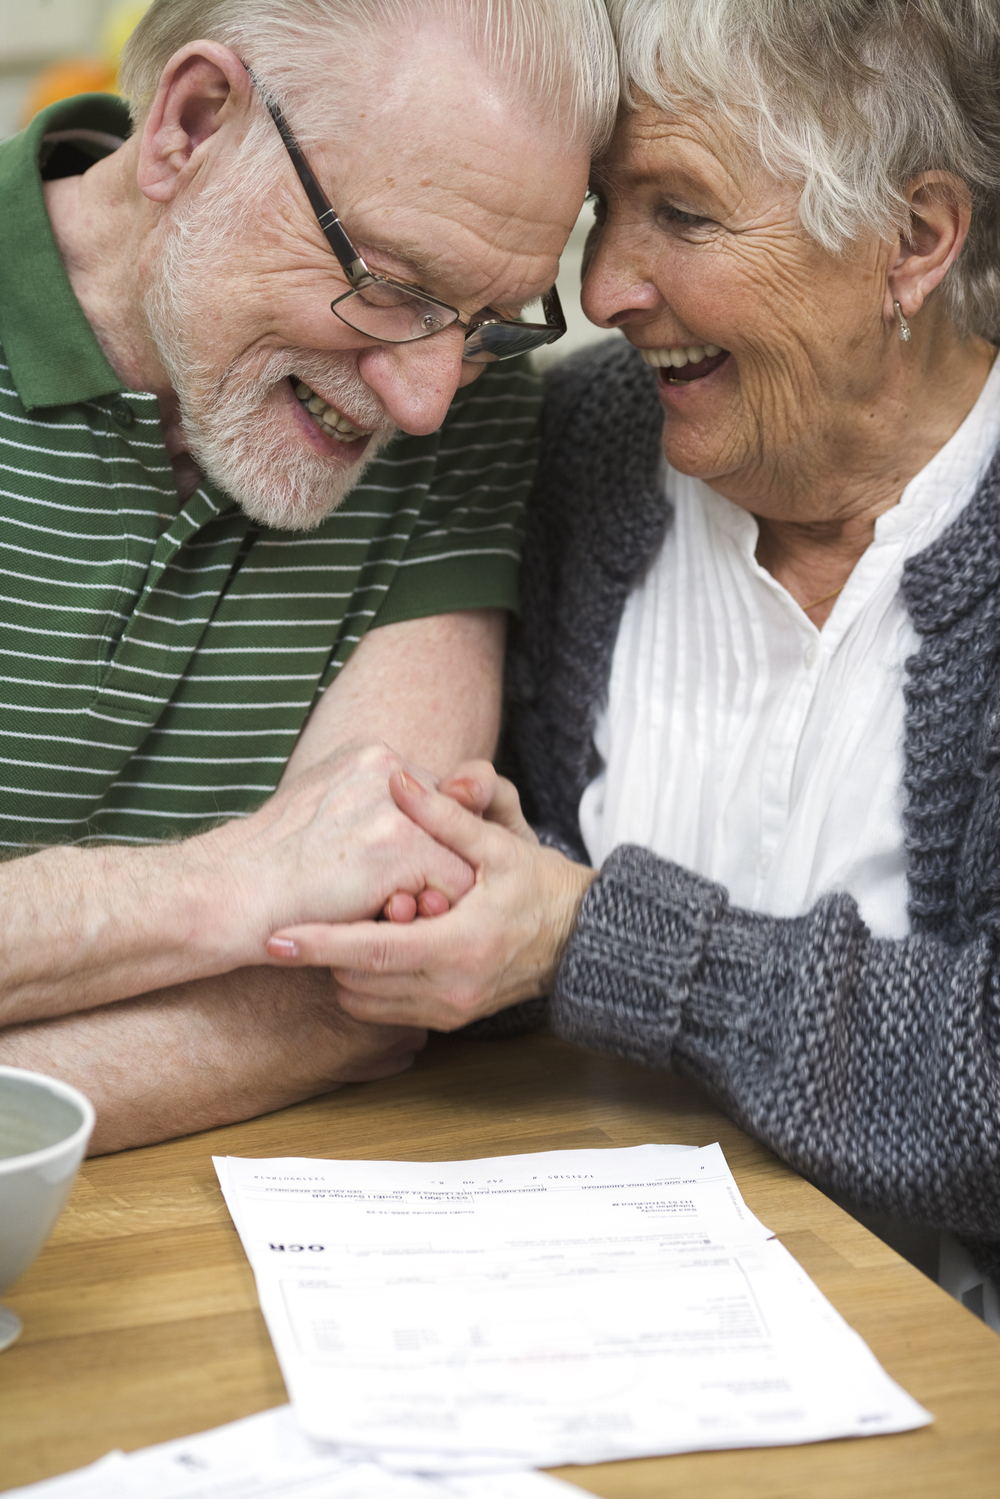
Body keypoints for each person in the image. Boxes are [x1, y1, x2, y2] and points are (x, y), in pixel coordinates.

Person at [267, 0, 1000, 1320]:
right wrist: (471, 903)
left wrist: (588, 932)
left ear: (914, 238)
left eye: (685, 212)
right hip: (548, 1302)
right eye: (609, 207)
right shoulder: (583, 450)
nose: (604, 288)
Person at [0, 0, 617, 1154]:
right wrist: (229, 885)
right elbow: (293, 906)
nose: (425, 398)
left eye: (491, 324)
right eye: (388, 284)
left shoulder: (471, 416)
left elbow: (356, 985)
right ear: (192, 121)